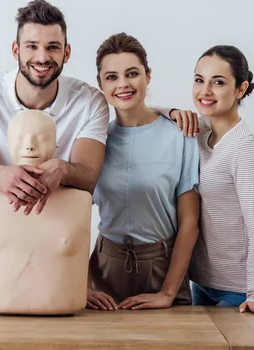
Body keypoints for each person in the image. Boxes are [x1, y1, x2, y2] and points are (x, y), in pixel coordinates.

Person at [0, 0, 109, 302]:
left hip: (59, 248)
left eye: (52, 47)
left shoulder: (90, 102)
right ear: (16, 50)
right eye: (32, 46)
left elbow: (89, 178)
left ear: (67, 52)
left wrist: (63, 168)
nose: (42, 56)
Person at [87, 33, 200, 311]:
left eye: (132, 73)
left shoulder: (180, 135)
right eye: (111, 77)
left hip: (162, 269)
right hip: (103, 271)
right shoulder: (94, 140)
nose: (123, 84)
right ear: (100, 84)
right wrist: (81, 283)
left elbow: (190, 223)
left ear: (148, 76)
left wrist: (167, 292)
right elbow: (70, 216)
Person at [166, 45, 254, 317]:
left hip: (242, 291)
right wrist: (172, 112)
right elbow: (148, 112)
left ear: (241, 89)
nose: (205, 91)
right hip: (202, 284)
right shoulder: (199, 131)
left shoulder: (248, 149)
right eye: (199, 80)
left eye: (218, 82)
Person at [0, 110, 92, 314]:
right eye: (20, 138)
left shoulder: (80, 200)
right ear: (8, 144)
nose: (30, 145)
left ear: (56, 145)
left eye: (42, 138)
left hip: (65, 319)